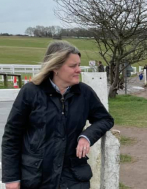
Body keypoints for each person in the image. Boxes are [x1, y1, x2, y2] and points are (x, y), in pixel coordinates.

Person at [1, 41, 114, 189]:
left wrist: (86, 137)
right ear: (55, 67)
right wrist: (11, 179)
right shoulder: (30, 92)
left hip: (72, 178)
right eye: (73, 66)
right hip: (36, 178)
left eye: (79, 65)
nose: (79, 70)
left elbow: (105, 119)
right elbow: (12, 137)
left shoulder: (84, 93)